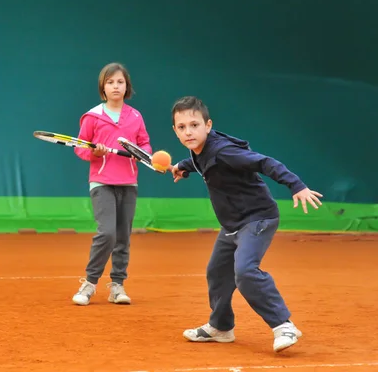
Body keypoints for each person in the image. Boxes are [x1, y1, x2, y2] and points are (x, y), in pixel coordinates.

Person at [169, 96, 323, 352]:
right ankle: (221, 327)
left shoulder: (224, 151)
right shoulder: (199, 150)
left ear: (208, 125)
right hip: (232, 224)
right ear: (175, 131)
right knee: (217, 273)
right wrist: (183, 167)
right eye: (182, 127)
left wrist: (297, 185)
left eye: (194, 125)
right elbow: (200, 161)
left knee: (245, 271)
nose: (188, 131)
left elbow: (265, 162)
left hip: (257, 218)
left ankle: (283, 325)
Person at [71, 62, 152, 306]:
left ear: (127, 86)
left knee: (123, 236)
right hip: (102, 182)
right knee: (107, 233)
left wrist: (142, 153)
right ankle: (89, 283)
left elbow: (145, 144)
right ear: (103, 88)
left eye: (120, 82)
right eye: (110, 82)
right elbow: (80, 147)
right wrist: (95, 153)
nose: (115, 86)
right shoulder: (92, 116)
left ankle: (117, 285)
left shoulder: (135, 116)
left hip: (129, 182)